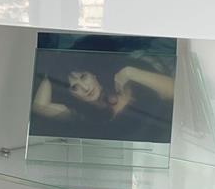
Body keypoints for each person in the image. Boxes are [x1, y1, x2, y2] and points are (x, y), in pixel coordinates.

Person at [30, 47, 175, 143]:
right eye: (75, 87)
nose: (85, 88)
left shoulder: (125, 81)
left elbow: (174, 90)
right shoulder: (82, 116)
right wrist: (51, 74)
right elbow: (39, 106)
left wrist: (130, 72)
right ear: (72, 95)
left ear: (93, 74)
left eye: (83, 77)